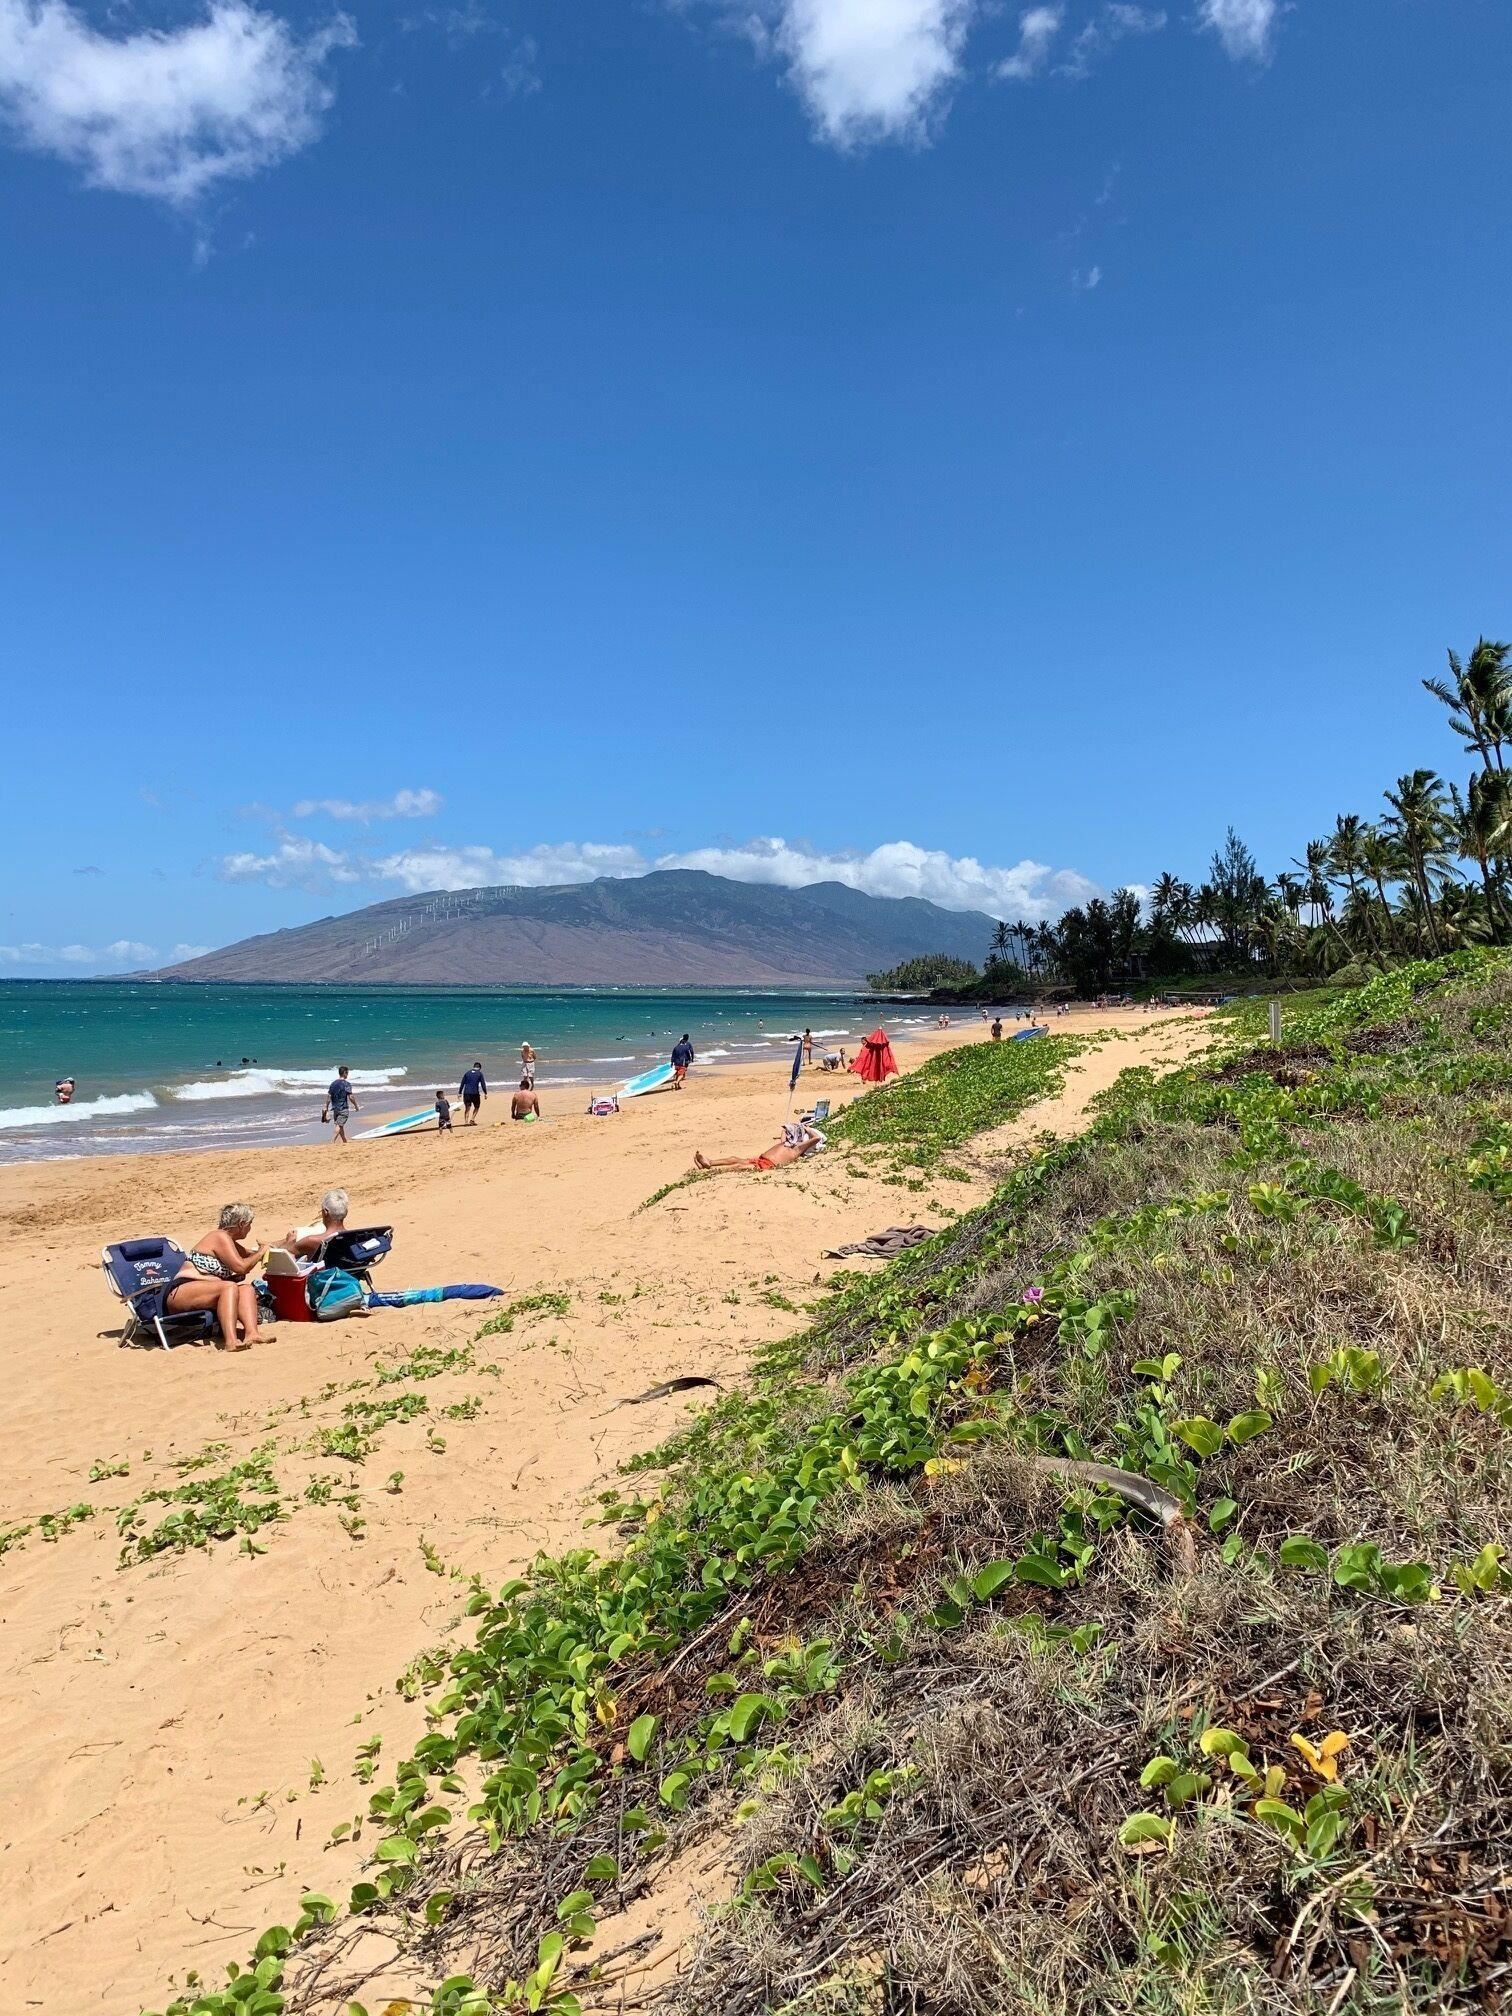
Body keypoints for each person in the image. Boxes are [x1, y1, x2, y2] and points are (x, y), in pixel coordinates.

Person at [163, 1203, 267, 1351]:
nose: (250, 1228)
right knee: (229, 1287)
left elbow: (249, 1254)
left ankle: (252, 1334)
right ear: (242, 1224)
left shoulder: (228, 1241)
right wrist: (262, 1251)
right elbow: (242, 1266)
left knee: (246, 1289)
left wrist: (276, 1247)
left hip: (205, 1292)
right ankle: (231, 1341)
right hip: (181, 1292)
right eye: (250, 1224)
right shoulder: (219, 1236)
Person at [693, 1120, 822, 1174]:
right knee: (735, 1158)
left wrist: (807, 1129)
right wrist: (786, 1127)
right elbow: (783, 1131)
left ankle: (713, 1171)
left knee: (739, 1167)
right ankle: (710, 1163)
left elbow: (816, 1138)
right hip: (760, 1159)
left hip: (767, 1166)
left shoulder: (797, 1149)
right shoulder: (786, 1143)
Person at [284, 1188, 349, 1260]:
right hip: (349, 1271)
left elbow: (283, 1255)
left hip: (323, 1271)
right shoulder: (354, 1237)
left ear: (325, 1212)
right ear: (346, 1212)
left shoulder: (312, 1241)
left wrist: (290, 1240)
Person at [323, 1065, 359, 1144]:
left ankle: (344, 1141)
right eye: (347, 1073)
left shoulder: (333, 1084)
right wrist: (356, 1105)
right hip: (343, 1108)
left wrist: (326, 1106)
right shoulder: (346, 1084)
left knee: (340, 1124)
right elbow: (351, 1097)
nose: (348, 1075)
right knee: (339, 1125)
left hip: (335, 1108)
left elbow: (329, 1096)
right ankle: (332, 1141)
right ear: (344, 1073)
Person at [459, 1060, 487, 1124]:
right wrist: (485, 1093)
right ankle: (472, 1119)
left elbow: (462, 1083)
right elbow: (483, 1084)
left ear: (473, 1067)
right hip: (475, 1093)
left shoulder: (467, 1073)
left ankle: (466, 1122)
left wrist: (459, 1093)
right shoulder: (479, 1073)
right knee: (477, 1107)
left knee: (467, 1107)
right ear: (479, 1068)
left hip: (466, 1093)